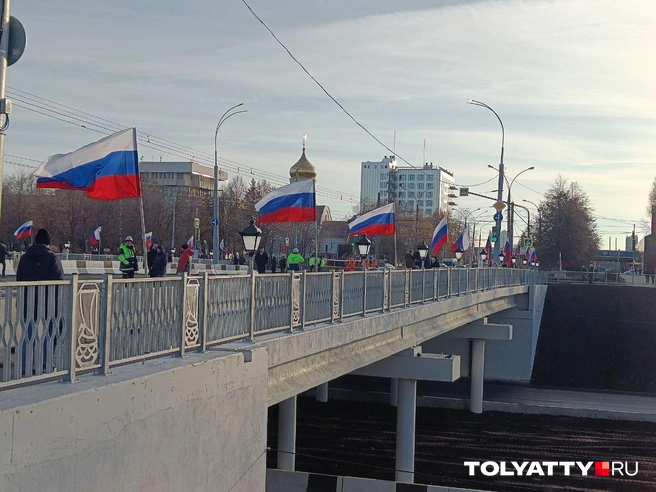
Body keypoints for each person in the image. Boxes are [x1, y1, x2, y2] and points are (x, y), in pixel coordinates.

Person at [16, 228, 64, 376]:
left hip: (28, 300)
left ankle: (25, 367)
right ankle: (46, 363)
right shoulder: (52, 257)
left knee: (28, 334)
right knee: (50, 333)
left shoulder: (24, 257)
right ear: (48, 242)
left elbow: (19, 278)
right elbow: (59, 280)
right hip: (48, 302)